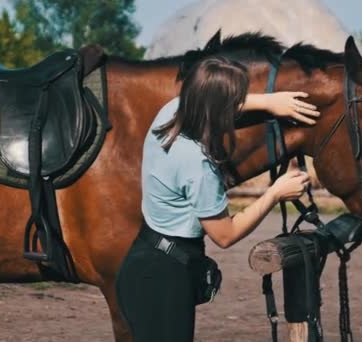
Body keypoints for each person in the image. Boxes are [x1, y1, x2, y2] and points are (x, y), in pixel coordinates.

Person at [115, 56, 320, 342]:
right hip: (163, 278)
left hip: (144, 261)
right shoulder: (196, 164)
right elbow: (225, 234)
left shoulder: (169, 114)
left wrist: (268, 102)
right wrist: (274, 193)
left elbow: (213, 99)